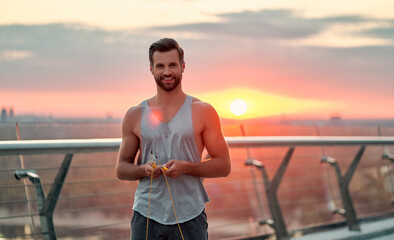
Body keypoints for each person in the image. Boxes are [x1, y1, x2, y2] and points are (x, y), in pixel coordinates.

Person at [116, 38, 231, 240]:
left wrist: (186, 167)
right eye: (160, 66)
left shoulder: (203, 111)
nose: (166, 72)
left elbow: (224, 165)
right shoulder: (135, 114)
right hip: (145, 216)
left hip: (190, 216)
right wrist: (144, 170)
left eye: (172, 65)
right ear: (151, 69)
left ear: (183, 67)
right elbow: (122, 168)